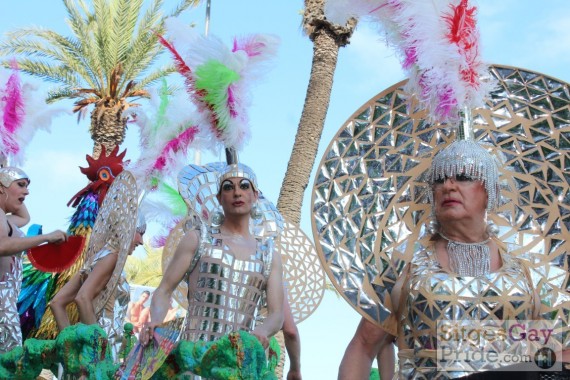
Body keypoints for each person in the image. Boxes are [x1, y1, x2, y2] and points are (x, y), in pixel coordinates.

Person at [337, 139, 570, 379]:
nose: (448, 186)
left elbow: (562, 351)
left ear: (492, 190)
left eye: (463, 176)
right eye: (439, 179)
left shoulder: (527, 269)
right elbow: (363, 347)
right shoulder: (406, 264)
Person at [140, 162, 284, 373]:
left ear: (255, 195)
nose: (237, 192)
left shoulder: (269, 255)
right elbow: (164, 290)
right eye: (228, 187)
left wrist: (261, 332)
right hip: (193, 362)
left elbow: (277, 314)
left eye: (244, 186)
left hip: (237, 366)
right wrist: (156, 322)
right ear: (219, 198)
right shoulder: (198, 239)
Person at [0, 167, 67, 353]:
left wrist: (10, 188)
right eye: (20, 185)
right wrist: (45, 237)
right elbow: (2, 245)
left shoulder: (7, 219)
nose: (27, 191)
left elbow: (24, 217)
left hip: (6, 305)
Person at [49, 227, 144, 332]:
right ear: (127, 227)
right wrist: (96, 342)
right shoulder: (112, 257)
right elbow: (82, 297)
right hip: (105, 341)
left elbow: (57, 302)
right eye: (140, 233)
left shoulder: (99, 257)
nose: (142, 241)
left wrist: (69, 342)